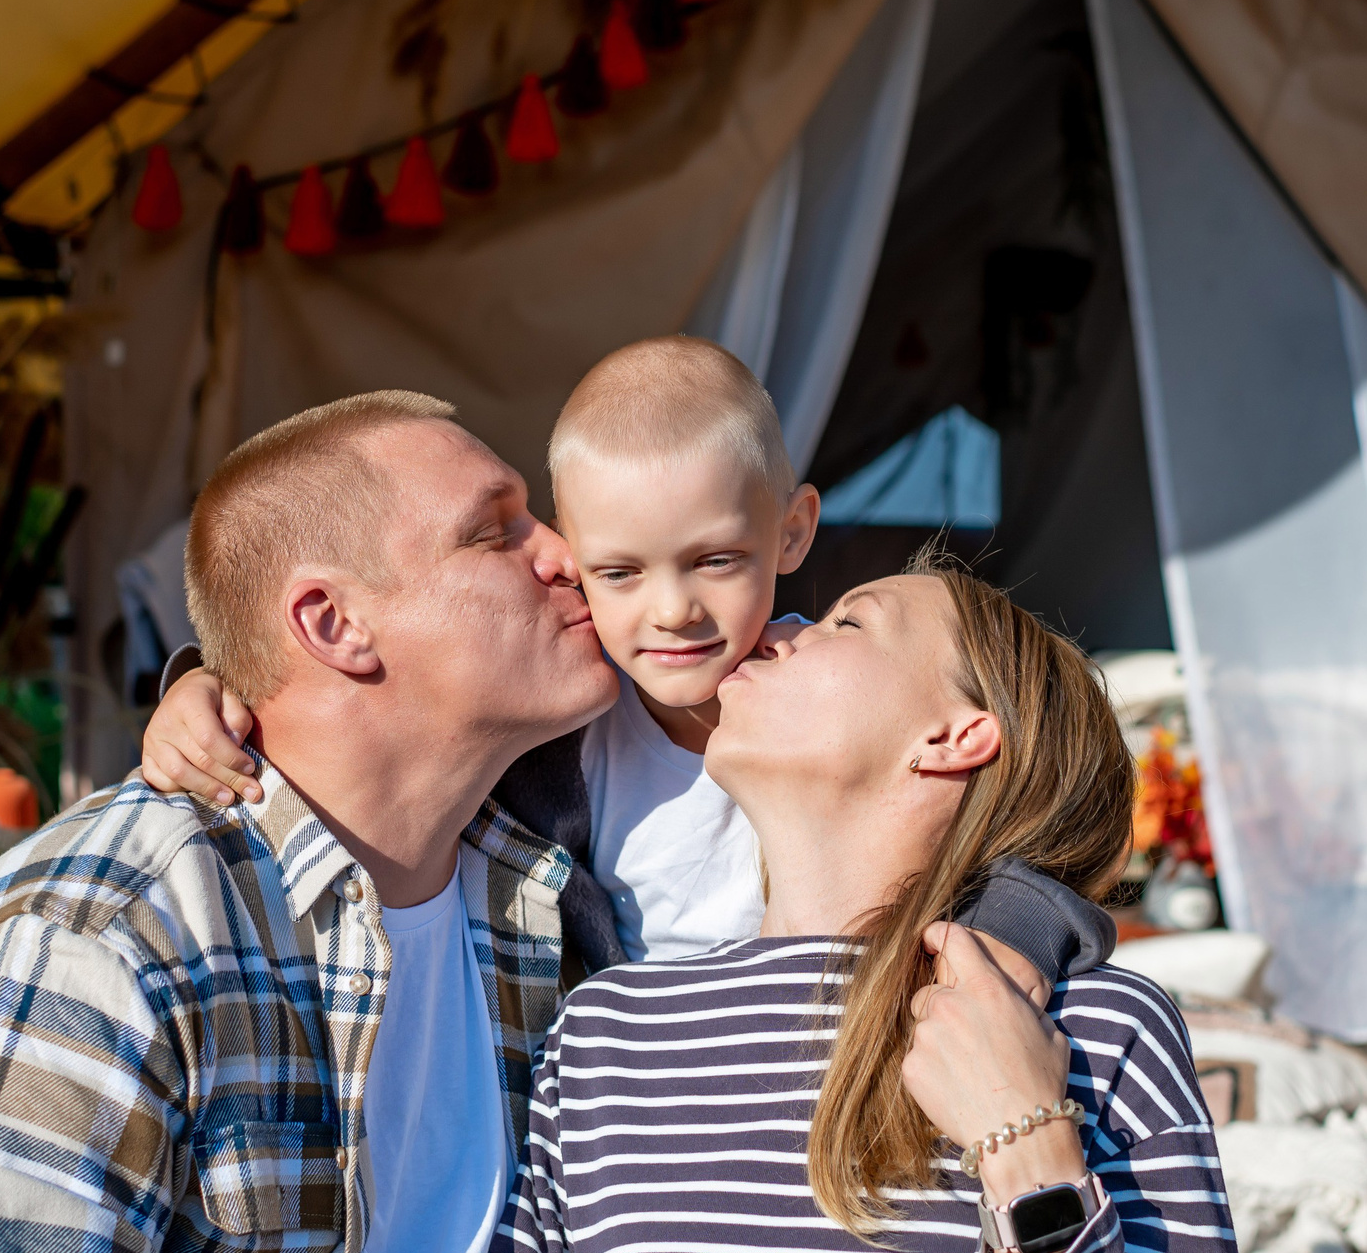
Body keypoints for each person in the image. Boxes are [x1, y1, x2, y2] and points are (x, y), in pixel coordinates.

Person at [0, 391, 619, 1253]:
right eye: (496, 530)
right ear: (333, 623)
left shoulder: (545, 884)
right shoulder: (98, 930)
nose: (567, 554)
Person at [474, 563, 1254, 1253]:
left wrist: (1027, 1146)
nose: (776, 629)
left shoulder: (1092, 1032)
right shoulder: (606, 1036)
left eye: (847, 622)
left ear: (954, 736)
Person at [144, 336, 1112, 972]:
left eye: (716, 560)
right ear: (578, 557)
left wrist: (1003, 945)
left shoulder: (821, 699)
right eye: (619, 572)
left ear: (790, 532)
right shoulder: (561, 734)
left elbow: (1009, 836)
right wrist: (208, 688)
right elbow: (372, 745)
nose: (674, 611)